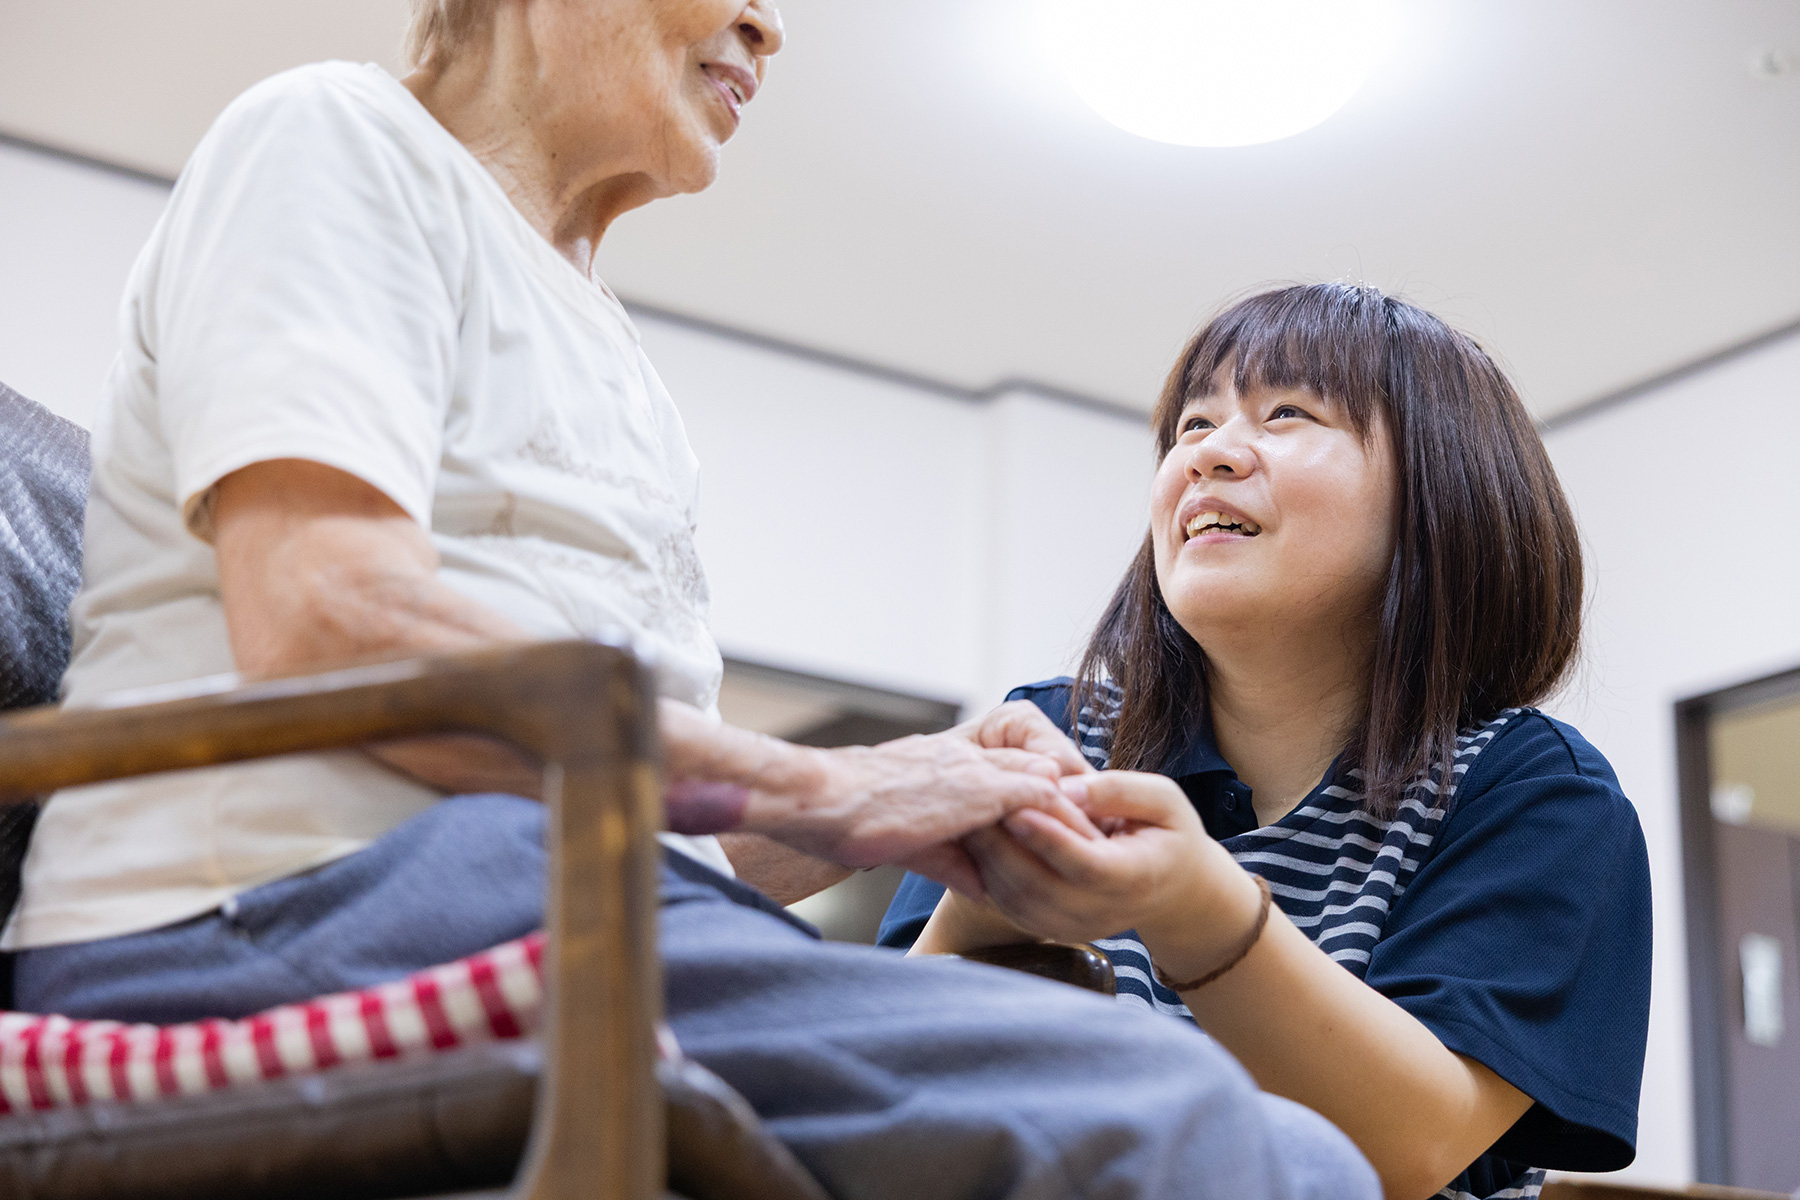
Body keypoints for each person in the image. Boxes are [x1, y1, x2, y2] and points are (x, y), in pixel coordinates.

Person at [0, 2, 1380, 1196]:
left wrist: (922, 801)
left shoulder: (620, 367)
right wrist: (827, 787)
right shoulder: (335, 139)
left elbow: (659, 829)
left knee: (1315, 1167)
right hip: (280, 906)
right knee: (1177, 1126)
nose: (774, 26)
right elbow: (327, 626)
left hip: (538, 892)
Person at [879, 284, 1653, 1200]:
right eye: (1191, 427)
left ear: (1442, 494)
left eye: (1287, 412)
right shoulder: (1051, 737)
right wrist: (983, 909)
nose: (1209, 455)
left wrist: (1199, 910)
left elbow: (1410, 1148)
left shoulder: (1536, 795)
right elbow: (870, 1094)